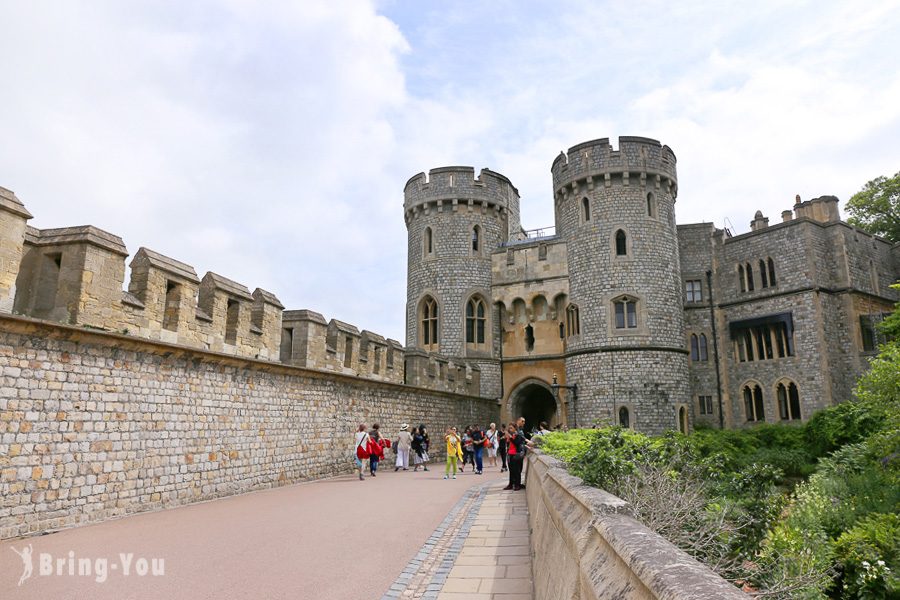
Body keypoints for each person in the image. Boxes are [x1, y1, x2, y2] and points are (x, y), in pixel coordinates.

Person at [504, 422, 527, 491]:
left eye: (511, 428)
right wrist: (507, 439)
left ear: (515, 428)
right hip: (510, 454)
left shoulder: (518, 435)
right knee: (511, 471)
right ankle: (511, 484)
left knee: (517, 470)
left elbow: (517, 443)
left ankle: (517, 485)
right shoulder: (511, 435)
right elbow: (509, 444)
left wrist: (510, 438)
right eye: (509, 428)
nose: (509, 429)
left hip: (516, 454)